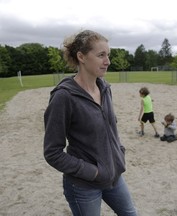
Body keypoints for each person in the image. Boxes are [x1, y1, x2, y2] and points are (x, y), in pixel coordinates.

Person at [43, 30, 137, 216]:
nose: (107, 61)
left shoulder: (105, 88)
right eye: (101, 55)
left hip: (114, 176)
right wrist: (92, 172)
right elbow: (52, 152)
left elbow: (111, 128)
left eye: (107, 55)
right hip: (83, 185)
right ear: (81, 57)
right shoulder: (64, 97)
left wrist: (119, 154)